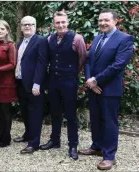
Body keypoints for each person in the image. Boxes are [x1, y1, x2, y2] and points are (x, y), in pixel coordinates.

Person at [80, 9, 134, 170]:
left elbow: (118, 65)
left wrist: (96, 80)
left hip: (110, 89)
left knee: (110, 122)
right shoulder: (98, 38)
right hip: (94, 87)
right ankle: (97, 146)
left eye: (106, 20)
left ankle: (109, 156)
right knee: (95, 119)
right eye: (100, 20)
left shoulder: (124, 39)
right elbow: (88, 60)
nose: (103, 23)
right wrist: (90, 81)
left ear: (115, 21)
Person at [39, 11, 87, 160]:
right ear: (54, 24)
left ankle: (73, 144)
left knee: (71, 114)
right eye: (57, 22)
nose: (60, 25)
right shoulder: (49, 39)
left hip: (69, 81)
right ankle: (55, 140)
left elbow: (83, 58)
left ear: (67, 22)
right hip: (53, 81)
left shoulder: (77, 39)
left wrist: (72, 72)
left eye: (63, 22)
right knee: (55, 112)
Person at [14, 16, 49, 154]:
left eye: (30, 24)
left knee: (35, 113)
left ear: (35, 26)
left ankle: (33, 143)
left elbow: (42, 63)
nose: (27, 27)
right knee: (25, 111)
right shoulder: (20, 42)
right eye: (25, 24)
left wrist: (37, 83)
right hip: (21, 83)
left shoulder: (40, 41)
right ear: (21, 27)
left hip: (34, 85)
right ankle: (28, 134)